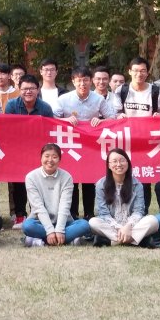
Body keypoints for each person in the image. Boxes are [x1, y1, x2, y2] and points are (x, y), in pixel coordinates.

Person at [54, 66, 115, 218]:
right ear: (73, 81)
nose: (82, 84)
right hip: (70, 146)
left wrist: (100, 121)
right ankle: (73, 214)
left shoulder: (98, 99)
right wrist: (65, 120)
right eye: (79, 80)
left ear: (91, 81)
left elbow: (112, 118)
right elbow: (52, 119)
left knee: (89, 179)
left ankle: (89, 213)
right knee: (71, 180)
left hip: (90, 146)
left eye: (86, 80)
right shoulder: (63, 99)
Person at [5, 74, 54, 228]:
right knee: (18, 182)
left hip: (38, 151)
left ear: (38, 90)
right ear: (19, 89)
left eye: (32, 88)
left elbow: (50, 131)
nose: (28, 92)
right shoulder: (11, 105)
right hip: (17, 151)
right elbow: (8, 129)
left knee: (38, 183)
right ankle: (20, 215)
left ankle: (38, 214)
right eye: (25, 89)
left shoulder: (45, 108)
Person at [22, 143, 90, 246]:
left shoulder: (66, 177)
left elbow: (65, 206)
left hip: (64, 223)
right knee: (27, 226)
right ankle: (67, 240)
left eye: (54, 157)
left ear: (59, 160)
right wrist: (50, 231)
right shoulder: (31, 177)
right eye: (47, 156)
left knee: (84, 225)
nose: (50, 160)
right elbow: (38, 207)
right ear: (41, 158)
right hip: (39, 222)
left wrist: (59, 230)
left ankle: (38, 240)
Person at [89, 148, 159, 247]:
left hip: (132, 225)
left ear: (128, 163)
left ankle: (112, 241)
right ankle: (137, 240)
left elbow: (139, 211)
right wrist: (119, 228)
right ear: (109, 165)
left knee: (153, 221)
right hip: (111, 225)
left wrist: (128, 226)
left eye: (122, 160)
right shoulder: (101, 185)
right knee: (93, 222)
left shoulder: (137, 185)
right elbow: (103, 213)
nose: (118, 164)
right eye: (114, 161)